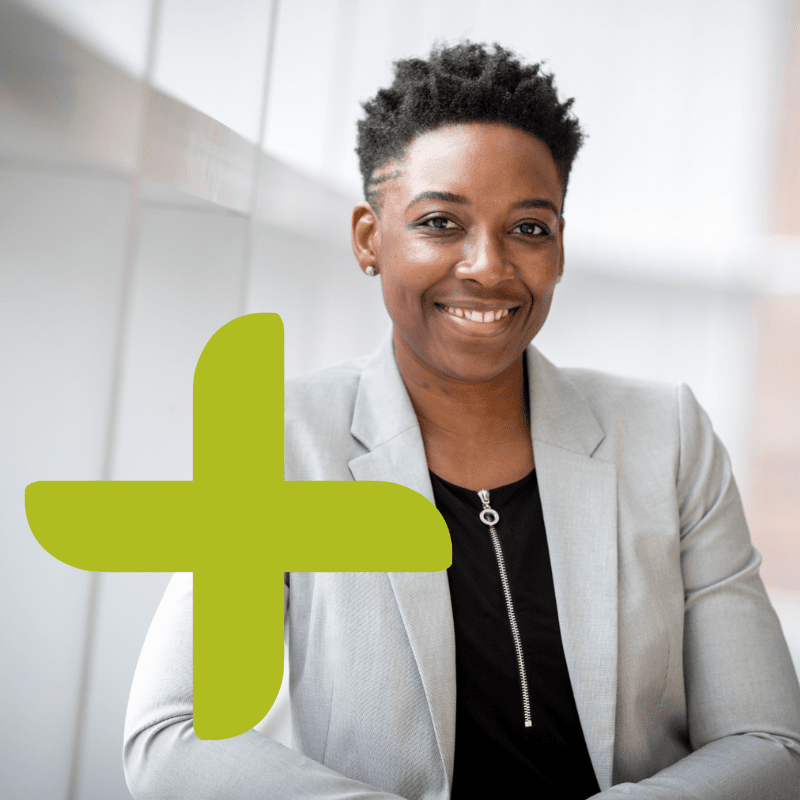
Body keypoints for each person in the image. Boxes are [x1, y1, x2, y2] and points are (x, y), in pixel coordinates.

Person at [123, 42, 800, 798]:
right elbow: (173, 739)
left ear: (560, 247)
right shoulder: (281, 438)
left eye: (530, 228)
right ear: (369, 238)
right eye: (441, 222)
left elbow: (767, 741)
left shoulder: (667, 436)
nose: (488, 265)